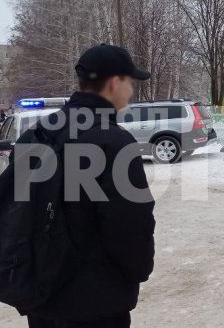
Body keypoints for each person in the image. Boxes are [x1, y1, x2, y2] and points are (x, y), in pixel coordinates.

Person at [22, 44, 155, 327]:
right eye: (130, 83)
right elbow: (129, 227)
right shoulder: (115, 144)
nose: (131, 92)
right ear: (114, 83)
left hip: (42, 296)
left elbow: (23, 213)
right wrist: (138, 271)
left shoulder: (35, 135)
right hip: (96, 304)